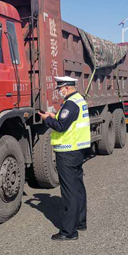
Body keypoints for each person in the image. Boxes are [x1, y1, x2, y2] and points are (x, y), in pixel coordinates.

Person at [38, 76, 90, 241]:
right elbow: (66, 121)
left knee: (69, 192)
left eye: (60, 89)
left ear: (66, 88)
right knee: (78, 188)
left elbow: (61, 126)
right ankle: (80, 223)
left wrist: (48, 120)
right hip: (77, 151)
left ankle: (69, 232)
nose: (59, 92)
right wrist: (54, 116)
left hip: (67, 152)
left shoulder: (70, 103)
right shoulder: (78, 100)